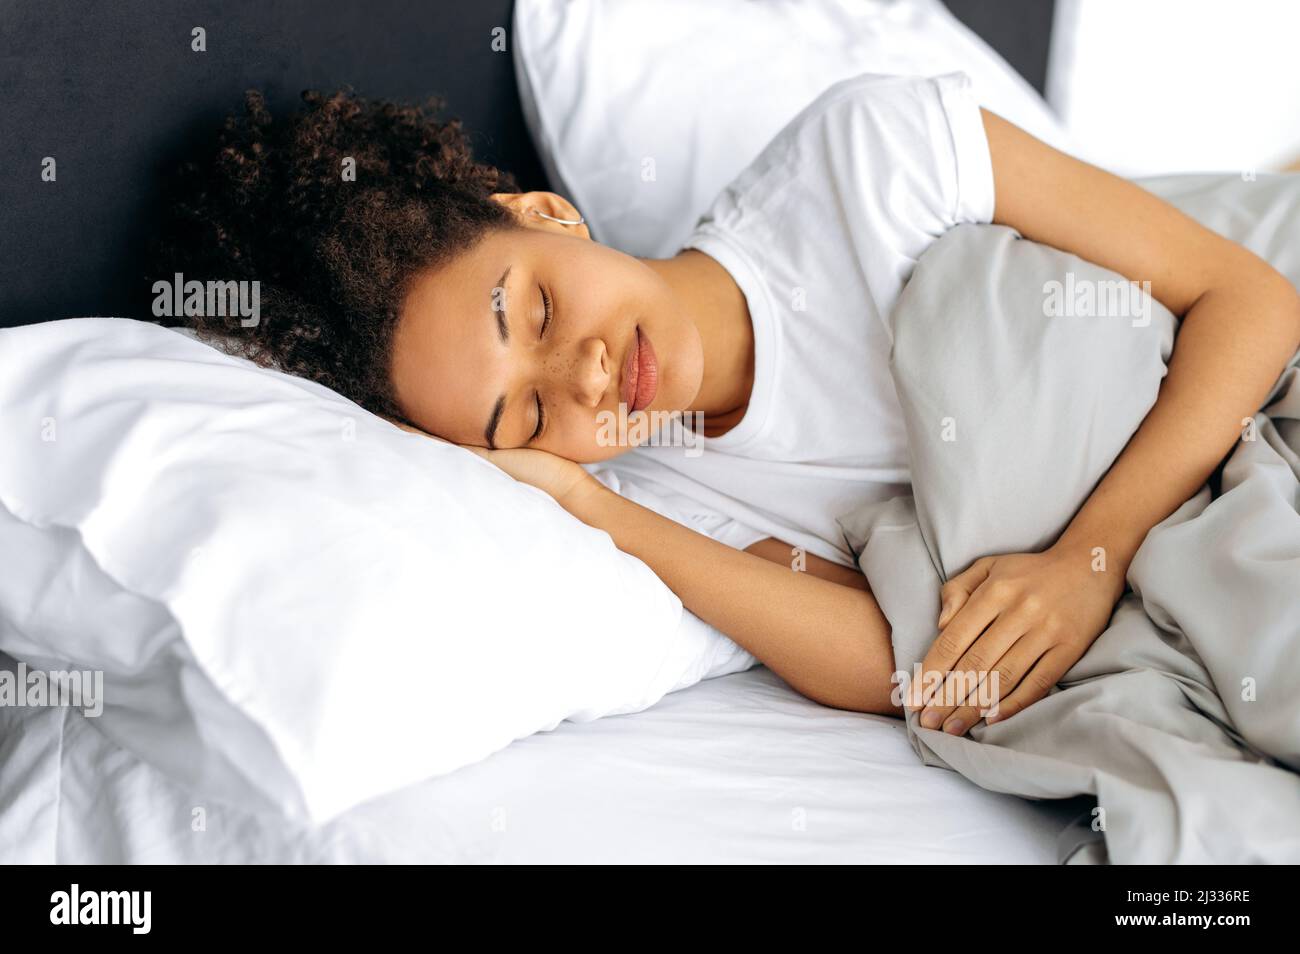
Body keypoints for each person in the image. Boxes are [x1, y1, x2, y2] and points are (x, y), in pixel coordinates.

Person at [152, 76, 1300, 727]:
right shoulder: (660, 495)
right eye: (526, 419)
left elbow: (1247, 297)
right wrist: (591, 506)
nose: (588, 383)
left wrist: (1087, 561)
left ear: (547, 214)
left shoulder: (864, 157)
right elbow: (884, 655)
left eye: (539, 314)